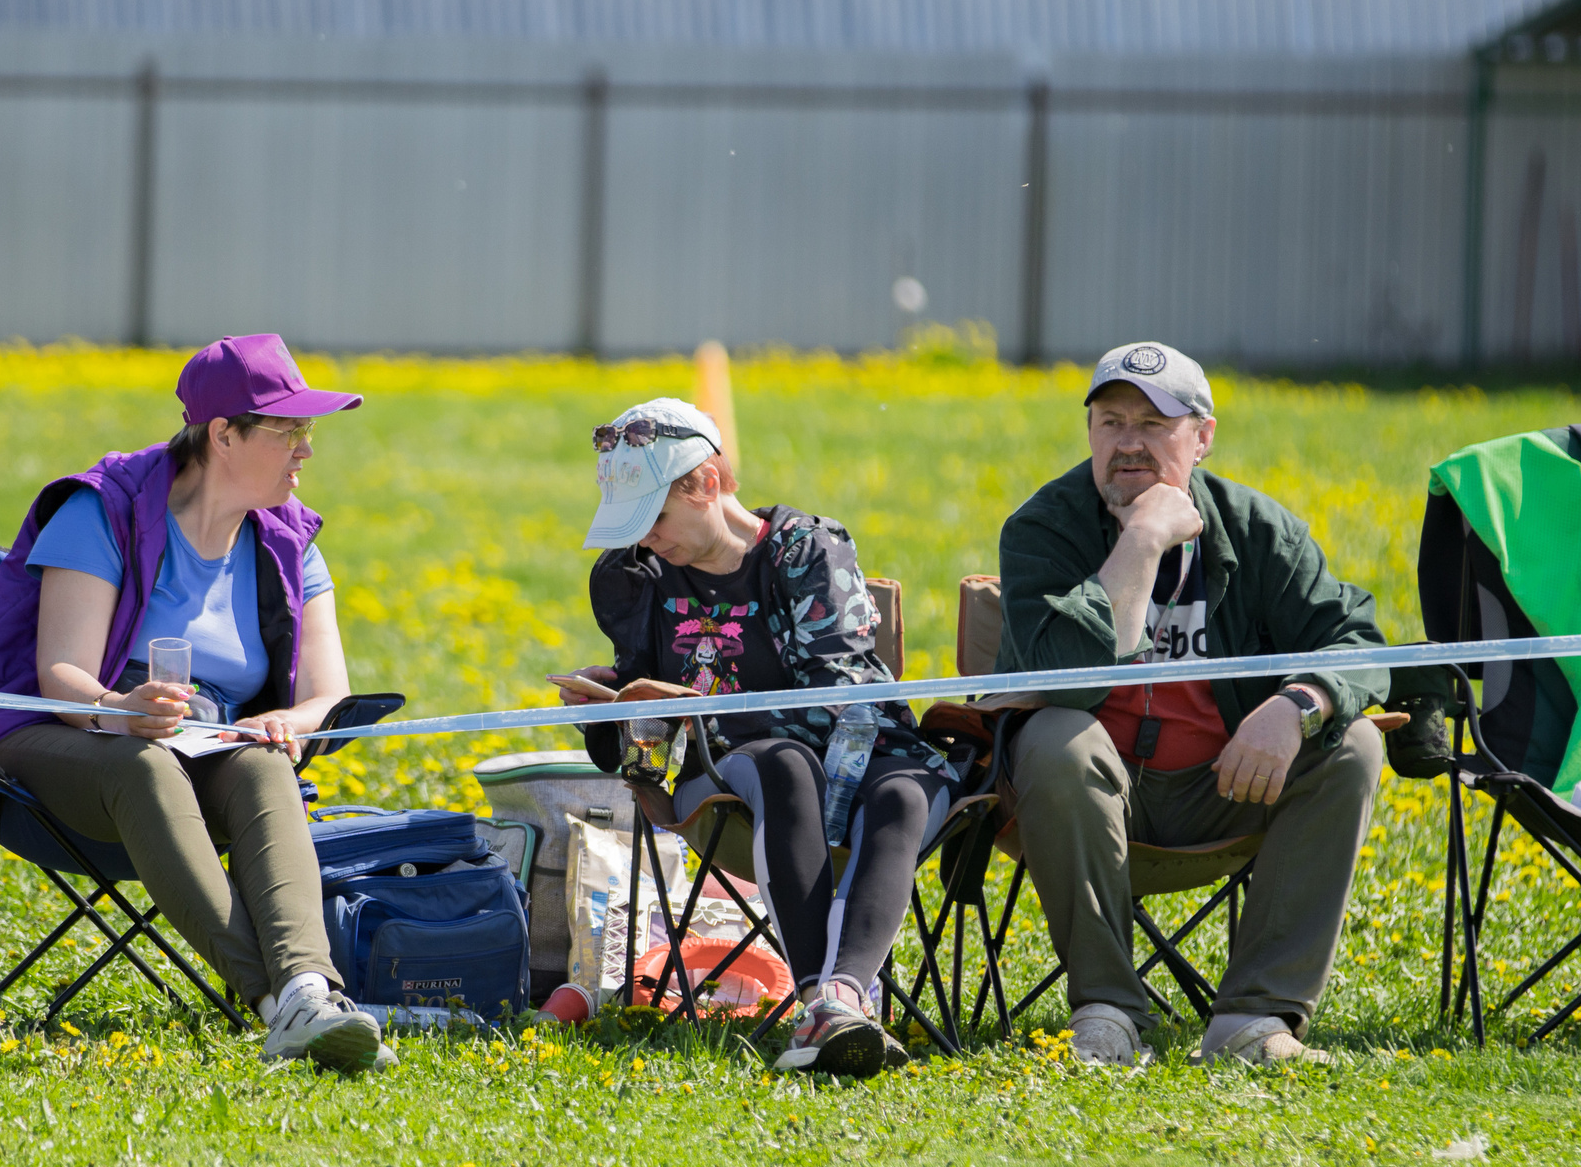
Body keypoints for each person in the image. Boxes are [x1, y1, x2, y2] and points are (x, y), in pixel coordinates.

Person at [0, 334, 390, 1074]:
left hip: (204, 750)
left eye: (308, 433)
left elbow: (329, 695)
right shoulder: (103, 511)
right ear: (223, 434)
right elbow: (61, 677)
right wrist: (123, 707)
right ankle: (277, 1003)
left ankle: (308, 991)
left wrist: (289, 722)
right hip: (51, 741)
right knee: (144, 764)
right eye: (289, 432)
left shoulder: (291, 541)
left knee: (263, 769)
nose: (306, 451)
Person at [998, 341, 1388, 1067]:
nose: (1129, 443)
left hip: (1229, 786)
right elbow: (1070, 681)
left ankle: (1253, 1020)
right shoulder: (1043, 530)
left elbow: (1356, 640)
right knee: (1057, 736)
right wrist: (1141, 540)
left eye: (1155, 423)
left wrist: (1297, 705)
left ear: (1202, 437)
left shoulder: (1256, 529)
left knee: (1355, 745)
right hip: (1085, 799)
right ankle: (1107, 1012)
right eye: (1111, 422)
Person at [554, 398, 954, 1078]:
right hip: (732, 774)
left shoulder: (805, 551)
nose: (645, 537)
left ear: (708, 483)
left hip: (862, 749)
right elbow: (640, 756)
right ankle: (817, 1002)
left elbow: (838, 700)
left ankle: (841, 997)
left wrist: (693, 703)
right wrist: (609, 708)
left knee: (906, 792)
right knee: (783, 762)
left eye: (654, 517)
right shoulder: (633, 578)